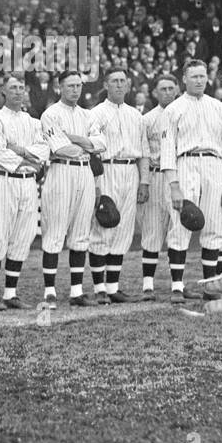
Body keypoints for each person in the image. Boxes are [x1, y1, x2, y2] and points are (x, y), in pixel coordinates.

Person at [161, 59, 222, 300]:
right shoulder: (173, 109)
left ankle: (209, 285)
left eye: (202, 76)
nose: (199, 80)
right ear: (184, 80)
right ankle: (177, 286)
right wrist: (174, 186)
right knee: (181, 225)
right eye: (194, 76)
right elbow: (167, 149)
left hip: (213, 164)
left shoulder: (219, 107)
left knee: (213, 224)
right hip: (186, 162)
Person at [40, 69, 105, 308]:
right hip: (61, 171)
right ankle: (50, 291)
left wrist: (74, 138)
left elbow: (100, 145)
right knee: (55, 233)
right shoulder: (50, 114)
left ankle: (76, 291)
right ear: (60, 87)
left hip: (85, 173)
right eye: (70, 86)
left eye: (78, 85)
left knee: (80, 233)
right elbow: (60, 148)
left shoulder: (88, 115)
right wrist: (86, 144)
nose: (75, 90)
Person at [0, 73, 47, 310]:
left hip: (28, 182)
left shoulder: (34, 122)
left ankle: (10, 293)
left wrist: (19, 149)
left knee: (23, 236)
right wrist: (24, 158)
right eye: (13, 88)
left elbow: (43, 151)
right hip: (3, 180)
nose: (18, 92)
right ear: (3, 92)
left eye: (21, 87)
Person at [86, 68, 143, 302]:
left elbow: (144, 153)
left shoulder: (137, 116)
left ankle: (112, 288)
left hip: (130, 170)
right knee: (103, 225)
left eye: (123, 81)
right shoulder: (95, 114)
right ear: (106, 85)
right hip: (106, 168)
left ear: (128, 85)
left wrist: (145, 181)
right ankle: (99, 288)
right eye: (114, 81)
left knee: (123, 229)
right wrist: (97, 184)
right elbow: (91, 151)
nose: (119, 85)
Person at [138, 74, 178, 298]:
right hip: (155, 174)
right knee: (152, 231)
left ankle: (177, 285)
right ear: (155, 92)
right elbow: (143, 153)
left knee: (177, 231)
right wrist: (143, 182)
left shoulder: (183, 115)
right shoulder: (148, 119)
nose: (167, 93)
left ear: (177, 90)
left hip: (177, 178)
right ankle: (147, 285)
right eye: (162, 89)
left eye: (171, 88)